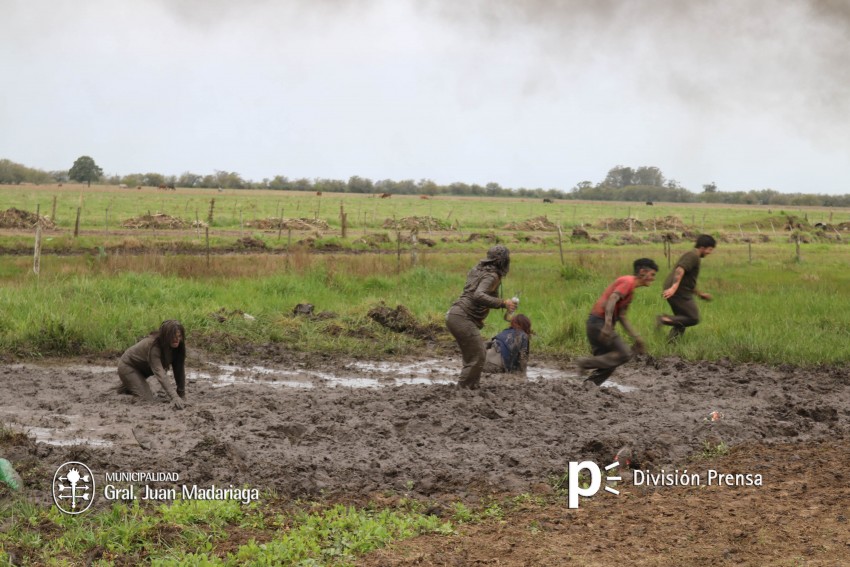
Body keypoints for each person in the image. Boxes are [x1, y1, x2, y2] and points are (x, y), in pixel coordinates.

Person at [576, 258, 659, 386]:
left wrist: (637, 338)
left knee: (610, 362)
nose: (653, 278)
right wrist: (608, 325)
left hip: (596, 324)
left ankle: (587, 387)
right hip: (599, 323)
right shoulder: (628, 282)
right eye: (652, 274)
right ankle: (584, 363)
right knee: (624, 353)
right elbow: (612, 299)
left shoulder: (630, 292)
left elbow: (622, 316)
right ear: (643, 272)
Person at [446, 245, 517, 389]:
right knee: (478, 355)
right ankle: (464, 390)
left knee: (473, 356)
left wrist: (504, 305)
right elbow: (478, 295)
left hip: (454, 314)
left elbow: (484, 295)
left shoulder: (477, 270)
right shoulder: (492, 275)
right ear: (503, 261)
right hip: (462, 317)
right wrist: (503, 303)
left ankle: (471, 388)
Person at [657, 234, 717, 342]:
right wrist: (673, 288)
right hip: (679, 292)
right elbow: (680, 269)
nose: (710, 252)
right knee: (693, 318)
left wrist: (700, 294)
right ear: (702, 247)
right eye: (709, 249)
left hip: (680, 290)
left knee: (682, 320)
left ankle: (671, 344)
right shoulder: (692, 256)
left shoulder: (695, 257)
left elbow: (688, 281)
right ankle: (663, 319)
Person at [117, 320, 187, 409]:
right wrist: (174, 397)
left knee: (145, 392)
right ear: (165, 336)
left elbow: (179, 369)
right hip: (128, 366)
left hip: (144, 370)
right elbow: (160, 374)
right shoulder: (154, 346)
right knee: (146, 399)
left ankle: (131, 386)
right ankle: (131, 387)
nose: (176, 339)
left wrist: (181, 394)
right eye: (172, 336)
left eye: (179, 336)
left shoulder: (179, 346)